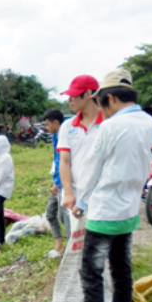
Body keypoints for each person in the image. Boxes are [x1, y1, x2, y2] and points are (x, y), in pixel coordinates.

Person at [56, 69, 152, 302]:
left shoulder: (109, 128)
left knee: (92, 274)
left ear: (109, 98)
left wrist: (79, 203)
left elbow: (93, 170)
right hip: (128, 209)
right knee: (122, 268)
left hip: (105, 211)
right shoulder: (148, 121)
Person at [57, 75, 103, 213]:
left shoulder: (109, 124)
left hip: (102, 195)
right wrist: (69, 193)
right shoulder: (67, 126)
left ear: (88, 94)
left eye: (73, 95)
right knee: (76, 235)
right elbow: (64, 161)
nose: (69, 100)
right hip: (75, 196)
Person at [42, 109, 71, 256]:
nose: (45, 128)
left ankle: (73, 248)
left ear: (56, 123)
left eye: (47, 124)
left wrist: (58, 183)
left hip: (64, 184)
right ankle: (59, 246)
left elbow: (64, 162)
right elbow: (56, 161)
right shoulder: (55, 136)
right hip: (57, 181)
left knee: (64, 217)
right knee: (50, 214)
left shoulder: (66, 136)